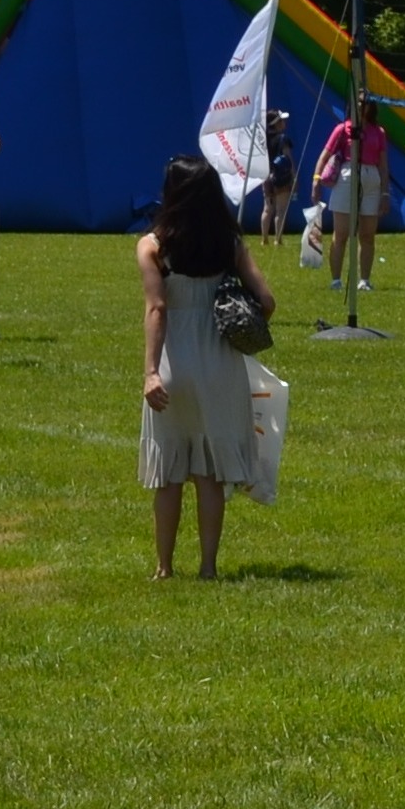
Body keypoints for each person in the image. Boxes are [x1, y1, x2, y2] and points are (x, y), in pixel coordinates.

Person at [138, 155, 277, 580]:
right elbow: (267, 302)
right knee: (209, 472)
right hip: (220, 362)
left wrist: (150, 373)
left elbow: (157, 308)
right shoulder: (230, 243)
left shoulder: (153, 245)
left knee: (169, 472)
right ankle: (209, 566)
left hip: (174, 361)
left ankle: (164, 566)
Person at [314, 98, 386, 293]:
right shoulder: (342, 129)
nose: (362, 105)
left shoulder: (378, 132)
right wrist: (316, 179)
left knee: (367, 234)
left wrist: (385, 192)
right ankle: (336, 280)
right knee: (341, 234)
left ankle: (364, 279)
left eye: (366, 102)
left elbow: (383, 164)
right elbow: (325, 155)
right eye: (359, 101)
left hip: (371, 177)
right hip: (348, 174)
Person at [261, 107, 295, 243]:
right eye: (282, 120)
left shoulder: (263, 140)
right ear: (276, 123)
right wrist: (294, 175)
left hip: (267, 176)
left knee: (267, 209)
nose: (284, 123)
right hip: (282, 177)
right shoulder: (283, 139)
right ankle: (278, 239)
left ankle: (264, 239)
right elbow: (288, 158)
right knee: (280, 211)